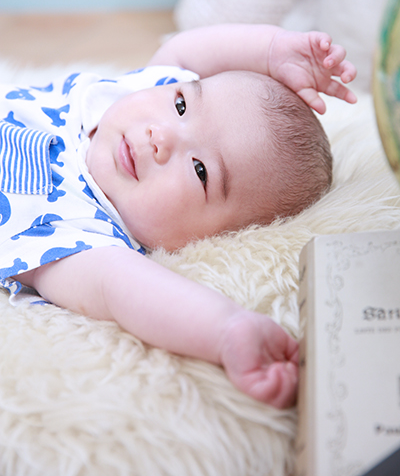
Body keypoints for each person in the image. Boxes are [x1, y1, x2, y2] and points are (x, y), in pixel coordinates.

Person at [0, 24, 356, 409]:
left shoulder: (79, 238)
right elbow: (186, 51)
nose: (162, 136)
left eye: (200, 171)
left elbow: (128, 290)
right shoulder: (134, 96)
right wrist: (272, 49)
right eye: (182, 105)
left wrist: (228, 330)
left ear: (209, 239)